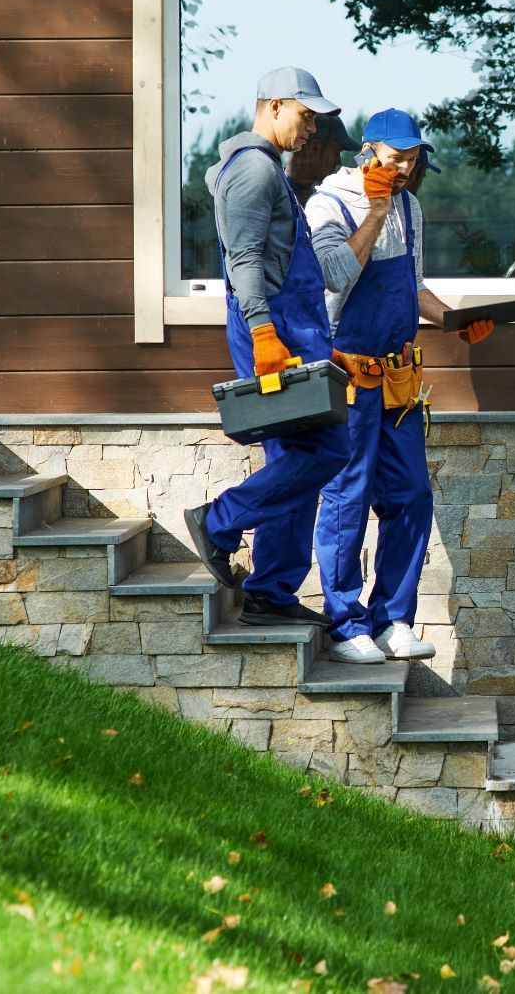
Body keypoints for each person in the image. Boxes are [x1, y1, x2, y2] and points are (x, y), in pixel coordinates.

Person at [304, 109, 492, 663]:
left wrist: (454, 320)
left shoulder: (411, 205)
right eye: (396, 156)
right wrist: (376, 209)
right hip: (348, 376)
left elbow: (413, 288)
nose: (406, 166)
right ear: (368, 151)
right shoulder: (328, 204)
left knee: (411, 494)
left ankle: (393, 619)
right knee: (347, 497)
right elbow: (335, 275)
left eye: (413, 157)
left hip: (399, 379)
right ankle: (345, 623)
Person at [185, 66, 352, 626]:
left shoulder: (270, 171)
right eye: (306, 116)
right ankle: (218, 521)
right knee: (326, 451)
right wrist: (262, 333)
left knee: (298, 458)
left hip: (297, 328)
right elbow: (244, 263)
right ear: (274, 105)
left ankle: (272, 591)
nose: (311, 130)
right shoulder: (254, 171)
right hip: (273, 327)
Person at [287, 112, 354, 207]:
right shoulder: (276, 195)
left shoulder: (320, 198)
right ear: (315, 148)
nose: (338, 161)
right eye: (335, 152)